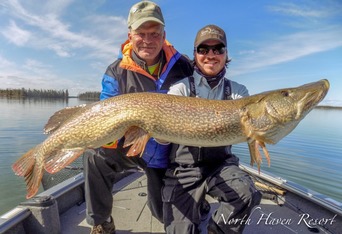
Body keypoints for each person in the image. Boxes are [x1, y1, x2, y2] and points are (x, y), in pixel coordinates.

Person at [83, 1, 193, 234]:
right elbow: (107, 110)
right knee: (95, 156)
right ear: (130, 35)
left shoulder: (183, 66)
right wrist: (104, 137)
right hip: (133, 146)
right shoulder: (116, 71)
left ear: (164, 35)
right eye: (141, 33)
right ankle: (101, 222)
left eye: (154, 34)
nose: (148, 40)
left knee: (163, 215)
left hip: (169, 154)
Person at [162, 25, 262, 234]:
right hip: (185, 167)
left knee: (246, 194)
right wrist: (154, 130)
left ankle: (216, 229)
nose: (211, 55)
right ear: (195, 54)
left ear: (226, 55)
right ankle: (200, 208)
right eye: (203, 49)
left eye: (218, 49)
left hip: (220, 165)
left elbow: (253, 127)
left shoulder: (238, 92)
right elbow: (163, 137)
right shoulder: (180, 89)